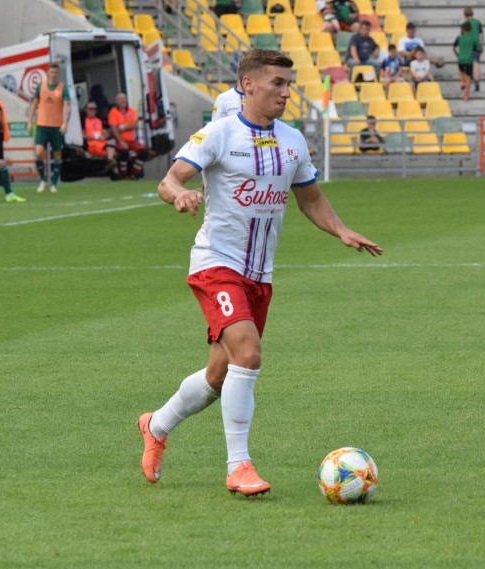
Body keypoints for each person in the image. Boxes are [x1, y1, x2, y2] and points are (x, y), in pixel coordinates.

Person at [137, 48, 383, 497]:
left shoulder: (291, 141)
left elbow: (309, 198)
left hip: (259, 275)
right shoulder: (217, 133)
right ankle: (239, 467)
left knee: (219, 375)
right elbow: (169, 179)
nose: (286, 93)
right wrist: (178, 195)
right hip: (216, 265)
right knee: (247, 355)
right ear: (248, 85)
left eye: (289, 85)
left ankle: (156, 424)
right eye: (277, 84)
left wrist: (341, 230)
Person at [26, 62, 71, 193]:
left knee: (57, 154)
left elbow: (67, 105)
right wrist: (30, 121)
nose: (54, 75)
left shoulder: (62, 88)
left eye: (56, 73)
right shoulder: (41, 86)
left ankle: (54, 184)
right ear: (47, 73)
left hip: (56, 126)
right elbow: (34, 103)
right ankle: (43, 180)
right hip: (42, 125)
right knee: (38, 151)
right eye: (52, 72)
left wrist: (65, 123)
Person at [108, 92, 147, 179]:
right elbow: (114, 129)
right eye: (120, 99)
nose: (123, 101)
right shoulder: (113, 112)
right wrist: (120, 141)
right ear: (116, 101)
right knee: (124, 152)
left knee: (144, 151)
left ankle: (134, 174)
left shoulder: (131, 110)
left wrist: (123, 128)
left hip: (131, 140)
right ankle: (123, 174)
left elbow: (136, 125)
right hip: (120, 140)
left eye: (124, 98)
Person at [83, 101, 118, 177]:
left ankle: (115, 173)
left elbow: (106, 133)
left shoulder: (99, 120)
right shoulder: (83, 121)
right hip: (92, 145)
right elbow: (82, 135)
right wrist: (93, 137)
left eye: (95, 109)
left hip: (102, 143)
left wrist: (104, 136)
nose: (93, 111)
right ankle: (114, 171)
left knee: (112, 146)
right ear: (86, 109)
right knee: (112, 153)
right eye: (90, 109)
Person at [453, 22, 478, 101]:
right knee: (468, 78)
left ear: (462, 29)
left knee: (460, 71)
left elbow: (453, 47)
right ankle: (466, 94)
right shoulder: (473, 39)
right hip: (469, 60)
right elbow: (475, 49)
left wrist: (457, 54)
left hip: (461, 59)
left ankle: (462, 81)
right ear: (470, 30)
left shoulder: (459, 38)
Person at [462, 8, 484, 92]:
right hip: (476, 46)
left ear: (464, 15)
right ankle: (477, 82)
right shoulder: (477, 23)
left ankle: (465, 83)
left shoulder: (465, 24)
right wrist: (482, 45)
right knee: (476, 64)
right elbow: (481, 35)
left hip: (468, 47)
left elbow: (463, 37)